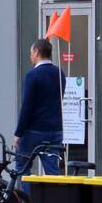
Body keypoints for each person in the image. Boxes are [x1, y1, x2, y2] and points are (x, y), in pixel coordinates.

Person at [13, 38, 65, 193]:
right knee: (53, 173)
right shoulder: (60, 73)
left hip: (33, 131)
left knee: (22, 168)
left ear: (36, 52)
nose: (30, 56)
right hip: (55, 131)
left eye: (31, 52)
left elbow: (27, 107)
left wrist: (18, 133)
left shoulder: (32, 75)